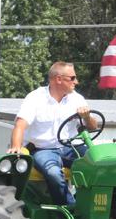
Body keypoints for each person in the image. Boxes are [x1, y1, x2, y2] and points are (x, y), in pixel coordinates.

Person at [7, 61, 98, 206]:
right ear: (58, 79)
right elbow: (20, 125)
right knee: (53, 174)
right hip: (44, 149)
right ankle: (69, 208)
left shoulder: (77, 99)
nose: (77, 82)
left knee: (99, 164)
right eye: (72, 78)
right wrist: (16, 147)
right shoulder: (36, 98)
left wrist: (86, 117)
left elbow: (93, 127)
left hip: (70, 148)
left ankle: (94, 206)